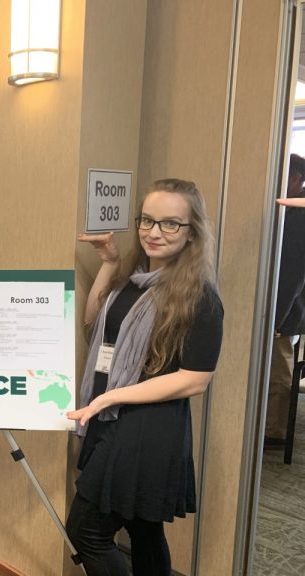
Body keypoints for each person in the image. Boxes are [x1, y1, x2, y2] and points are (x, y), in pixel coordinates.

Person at [66, 178, 224, 576]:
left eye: (171, 223)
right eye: (148, 220)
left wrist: (112, 397)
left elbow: (195, 379)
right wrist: (109, 263)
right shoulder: (134, 281)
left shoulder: (199, 297)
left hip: (146, 432)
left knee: (87, 532)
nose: (155, 232)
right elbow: (93, 323)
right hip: (112, 418)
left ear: (192, 233)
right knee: (144, 529)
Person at [265, 153, 305, 446]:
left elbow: (292, 271)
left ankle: (275, 430)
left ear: (295, 178)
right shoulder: (289, 211)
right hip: (287, 304)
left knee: (279, 365)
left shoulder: (299, 214)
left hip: (290, 308)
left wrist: (275, 319)